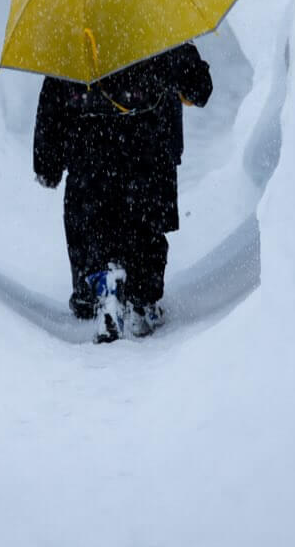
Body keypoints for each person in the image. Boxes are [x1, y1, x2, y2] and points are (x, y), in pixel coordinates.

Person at [33, 42, 213, 342]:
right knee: (145, 229)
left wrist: (47, 163)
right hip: (147, 151)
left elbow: (53, 101)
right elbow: (200, 88)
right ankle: (142, 301)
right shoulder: (156, 27)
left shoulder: (74, 37)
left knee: (89, 229)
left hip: (88, 154)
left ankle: (102, 286)